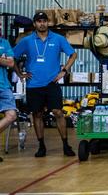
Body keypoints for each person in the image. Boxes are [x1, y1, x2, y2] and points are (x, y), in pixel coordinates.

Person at [13, 12, 77, 157]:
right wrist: (19, 74)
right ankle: (41, 146)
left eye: (44, 21)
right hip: (33, 85)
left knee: (58, 112)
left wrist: (64, 71)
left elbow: (73, 54)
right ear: (35, 24)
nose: (42, 24)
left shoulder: (58, 39)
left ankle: (66, 145)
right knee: (37, 114)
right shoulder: (27, 41)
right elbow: (12, 57)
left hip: (51, 83)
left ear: (48, 23)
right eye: (39, 21)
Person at [0, 35, 17, 163]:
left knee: (11, 115)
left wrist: (5, 60)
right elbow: (6, 61)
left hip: (4, 86)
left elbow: (11, 63)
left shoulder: (4, 43)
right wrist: (2, 58)